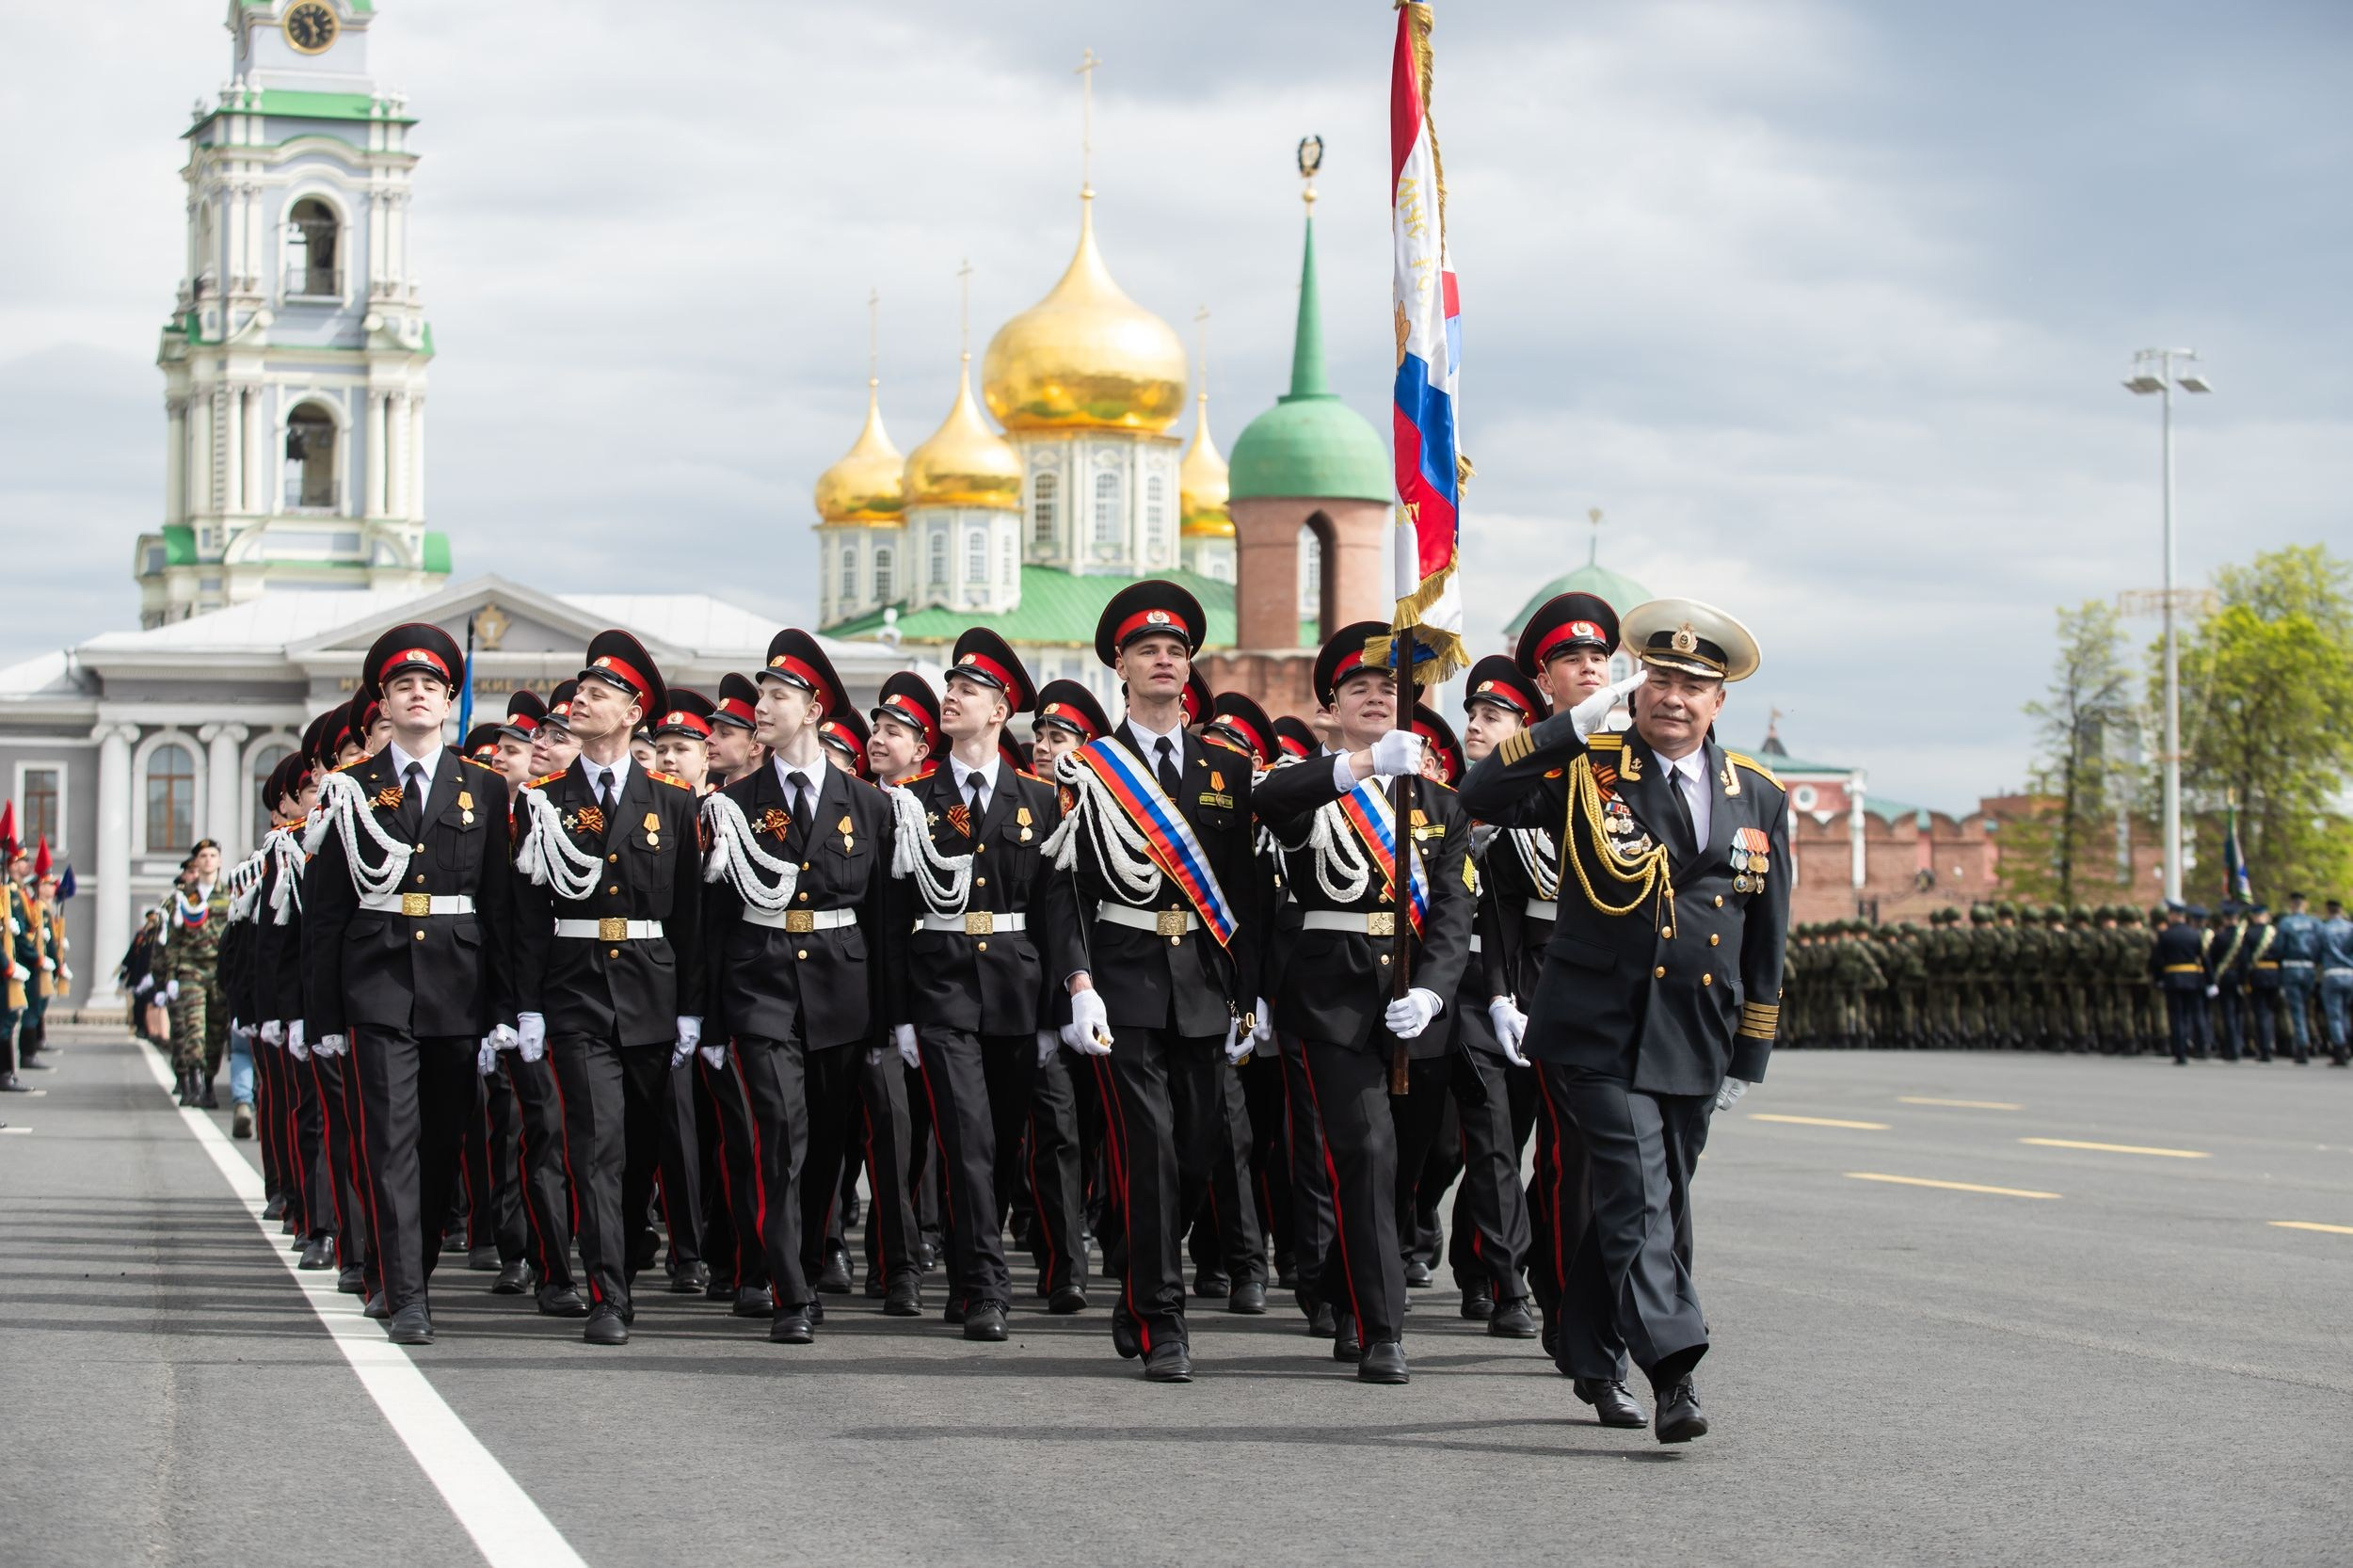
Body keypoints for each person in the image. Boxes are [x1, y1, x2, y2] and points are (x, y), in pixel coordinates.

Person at [1459, 596, 1788, 1445]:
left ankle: (1589, 1348)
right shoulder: (1588, 766)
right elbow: (1480, 791)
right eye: (1662, 679)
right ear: (1638, 687)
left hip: (1694, 1033)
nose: (1674, 697)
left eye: (1695, 685)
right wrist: (1571, 725)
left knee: (1654, 1203)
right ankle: (1675, 1372)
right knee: (1639, 1191)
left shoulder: (1756, 795)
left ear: (1720, 703)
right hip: (1595, 1028)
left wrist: (1749, 1052)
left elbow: (1767, 933)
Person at [1046, 582, 1262, 1384]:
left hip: (1205, 987)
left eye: (1175, 650)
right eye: (1148, 651)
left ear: (1190, 667)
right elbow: (1061, 887)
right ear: (1121, 667)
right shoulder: (1090, 768)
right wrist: (1078, 982)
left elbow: (1244, 894)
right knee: (1151, 1150)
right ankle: (1161, 1318)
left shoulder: (1226, 769)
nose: (1164, 660)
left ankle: (1136, 1288)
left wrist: (1250, 993)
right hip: (1125, 982)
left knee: (1202, 1152)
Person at [1249, 624, 1473, 1385]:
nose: (1376, 697)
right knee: (1362, 1156)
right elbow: (1270, 801)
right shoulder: (1316, 782)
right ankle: (1379, 1327)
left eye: (1390, 689)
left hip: (1410, 1003)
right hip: (1332, 998)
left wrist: (1434, 992)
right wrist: (1366, 766)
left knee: (1405, 1163)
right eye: (1359, 689)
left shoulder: (1440, 803)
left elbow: (1452, 912)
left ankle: (1348, 1290)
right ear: (1331, 709)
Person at [300, 625, 517, 1346]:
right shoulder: (351, 790)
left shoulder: (484, 789)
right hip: (378, 982)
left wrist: (506, 1010)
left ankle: (412, 1267)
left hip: (456, 986)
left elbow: (499, 907)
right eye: (402, 686)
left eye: (430, 685)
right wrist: (322, 1015)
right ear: (383, 706)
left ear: (451, 701)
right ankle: (406, 1292)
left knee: (438, 1141)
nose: (417, 694)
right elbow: (327, 912)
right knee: (388, 1140)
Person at [881, 629, 1086, 1338]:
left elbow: (1058, 911)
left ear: (1000, 710)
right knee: (965, 1135)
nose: (952, 697)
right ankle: (989, 1286)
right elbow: (890, 914)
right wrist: (899, 1013)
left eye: (968, 690)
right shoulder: (911, 798)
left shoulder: (1041, 798)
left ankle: (971, 1272)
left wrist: (1062, 1003)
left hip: (1016, 989)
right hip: (939, 986)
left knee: (1000, 1141)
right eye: (951, 687)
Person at [699, 630, 902, 1343]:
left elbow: (880, 918)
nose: (762, 708)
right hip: (761, 983)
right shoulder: (733, 800)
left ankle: (804, 1265)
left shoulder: (869, 806)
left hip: (842, 991)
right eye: (761, 695)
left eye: (777, 697)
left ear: (813, 710)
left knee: (827, 1148)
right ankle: (788, 1291)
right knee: (779, 1137)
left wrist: (885, 1020)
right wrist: (712, 1021)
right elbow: (715, 920)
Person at [160, 838, 232, 1108]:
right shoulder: (183, 898)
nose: (208, 860)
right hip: (191, 971)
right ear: (197, 862)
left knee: (215, 1032)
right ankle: (193, 1083)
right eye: (203, 856)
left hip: (218, 973)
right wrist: (172, 977)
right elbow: (173, 942)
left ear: (219, 860)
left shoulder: (230, 894)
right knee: (194, 1030)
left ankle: (209, 1083)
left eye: (213, 855)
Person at [2275, 892, 2321, 1064]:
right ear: (2305, 904)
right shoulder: (2315, 923)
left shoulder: (2286, 923)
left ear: (2292, 905)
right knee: (2309, 1008)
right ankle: (2315, 1041)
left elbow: (2279, 948)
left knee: (2296, 1010)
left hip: (2292, 968)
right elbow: (2319, 946)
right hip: (2309, 968)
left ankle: (2302, 1046)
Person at [2318, 899, 2353, 1067]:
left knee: (2334, 1015)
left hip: (2332, 973)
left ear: (2328, 911)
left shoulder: (2324, 929)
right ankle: (2348, 1044)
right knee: (2345, 1012)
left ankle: (2340, 1050)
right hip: (2350, 974)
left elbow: (2316, 951)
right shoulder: (2350, 928)